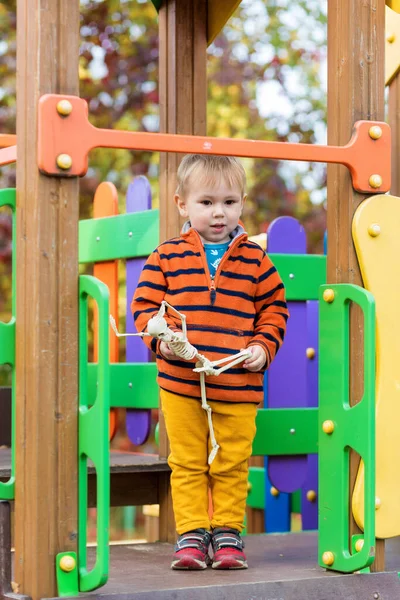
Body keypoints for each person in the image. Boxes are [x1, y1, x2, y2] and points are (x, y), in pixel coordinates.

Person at [132, 154, 288, 570]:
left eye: (229, 202)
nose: (219, 212)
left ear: (242, 203)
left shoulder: (256, 260)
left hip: (237, 383)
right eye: (206, 202)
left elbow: (274, 309)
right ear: (182, 203)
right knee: (185, 460)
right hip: (182, 384)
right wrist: (161, 339)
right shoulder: (167, 255)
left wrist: (263, 346)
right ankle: (192, 534)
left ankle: (227, 535)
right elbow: (144, 308)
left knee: (232, 462)